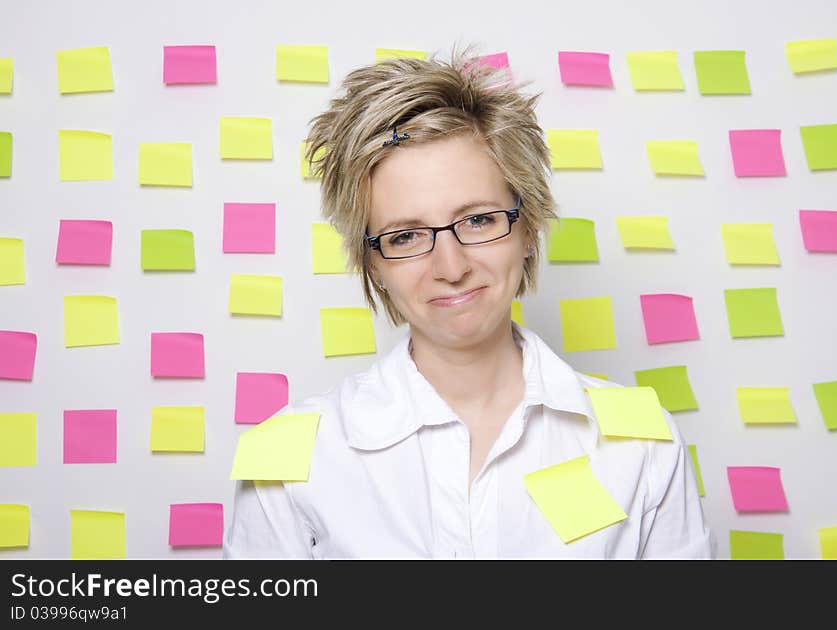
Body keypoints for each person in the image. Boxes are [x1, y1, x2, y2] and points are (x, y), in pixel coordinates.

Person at [223, 46, 714, 559]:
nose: (451, 267)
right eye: (405, 236)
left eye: (478, 219)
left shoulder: (642, 444)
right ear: (371, 262)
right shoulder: (289, 459)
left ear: (528, 227)